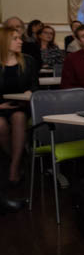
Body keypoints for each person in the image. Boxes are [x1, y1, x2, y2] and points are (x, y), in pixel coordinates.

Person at [0, 27, 38, 187]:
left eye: (19, 38)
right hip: (0, 107)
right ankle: (16, 157)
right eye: (15, 38)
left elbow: (35, 85)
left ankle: (14, 169)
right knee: (0, 125)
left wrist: (30, 91)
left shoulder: (28, 60)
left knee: (18, 118)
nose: (20, 41)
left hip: (21, 106)